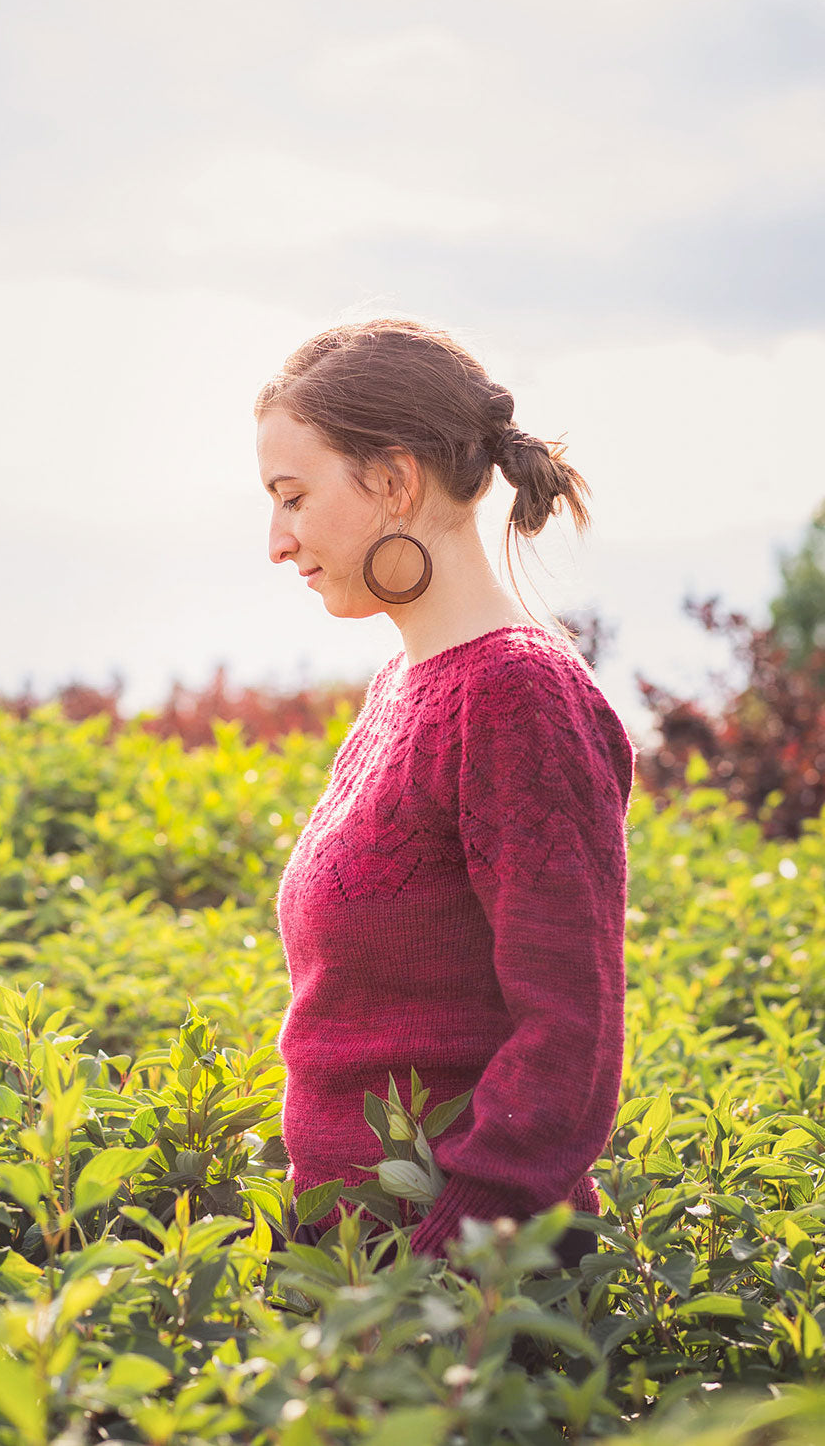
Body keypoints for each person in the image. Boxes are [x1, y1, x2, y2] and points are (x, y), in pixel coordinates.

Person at [254, 316, 636, 1276]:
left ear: (393, 480)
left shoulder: (517, 696)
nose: (277, 539)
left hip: (459, 1297)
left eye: (293, 497)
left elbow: (570, 1037)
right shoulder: (406, 686)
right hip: (359, 1266)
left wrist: (438, 1273)